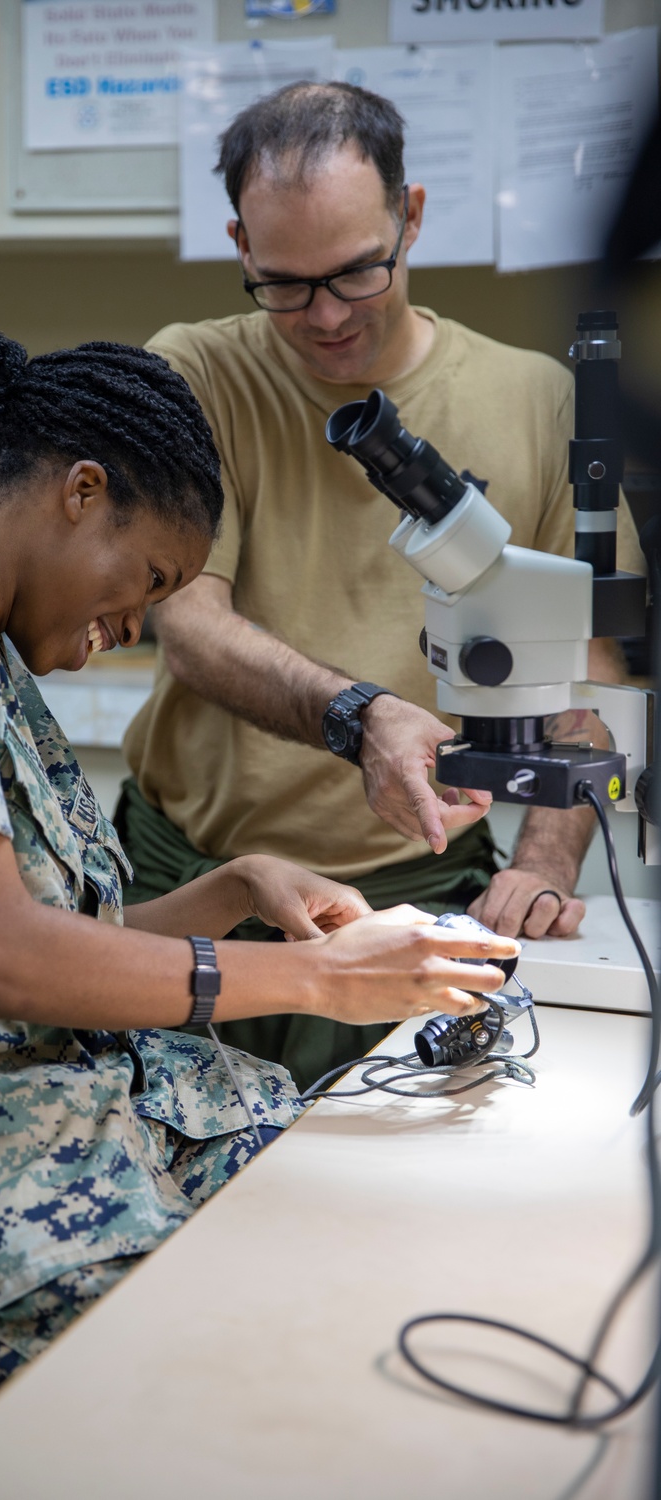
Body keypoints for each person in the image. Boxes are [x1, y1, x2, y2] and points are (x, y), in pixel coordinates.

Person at [0, 331, 518, 1420]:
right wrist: (320, 982)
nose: (138, 622)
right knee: (285, 1378)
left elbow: (58, 939)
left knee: (369, 1242)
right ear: (79, 491)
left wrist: (240, 886)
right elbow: (1, 961)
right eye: (147, 578)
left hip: (69, 1125)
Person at [117, 82, 643, 1092]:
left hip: (418, 893)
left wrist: (539, 865)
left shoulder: (536, 400)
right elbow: (186, 620)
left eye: (357, 272)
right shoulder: (194, 372)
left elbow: (584, 667)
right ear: (239, 245)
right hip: (192, 881)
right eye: (283, 283)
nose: (323, 317)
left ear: (411, 216)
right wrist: (360, 718)